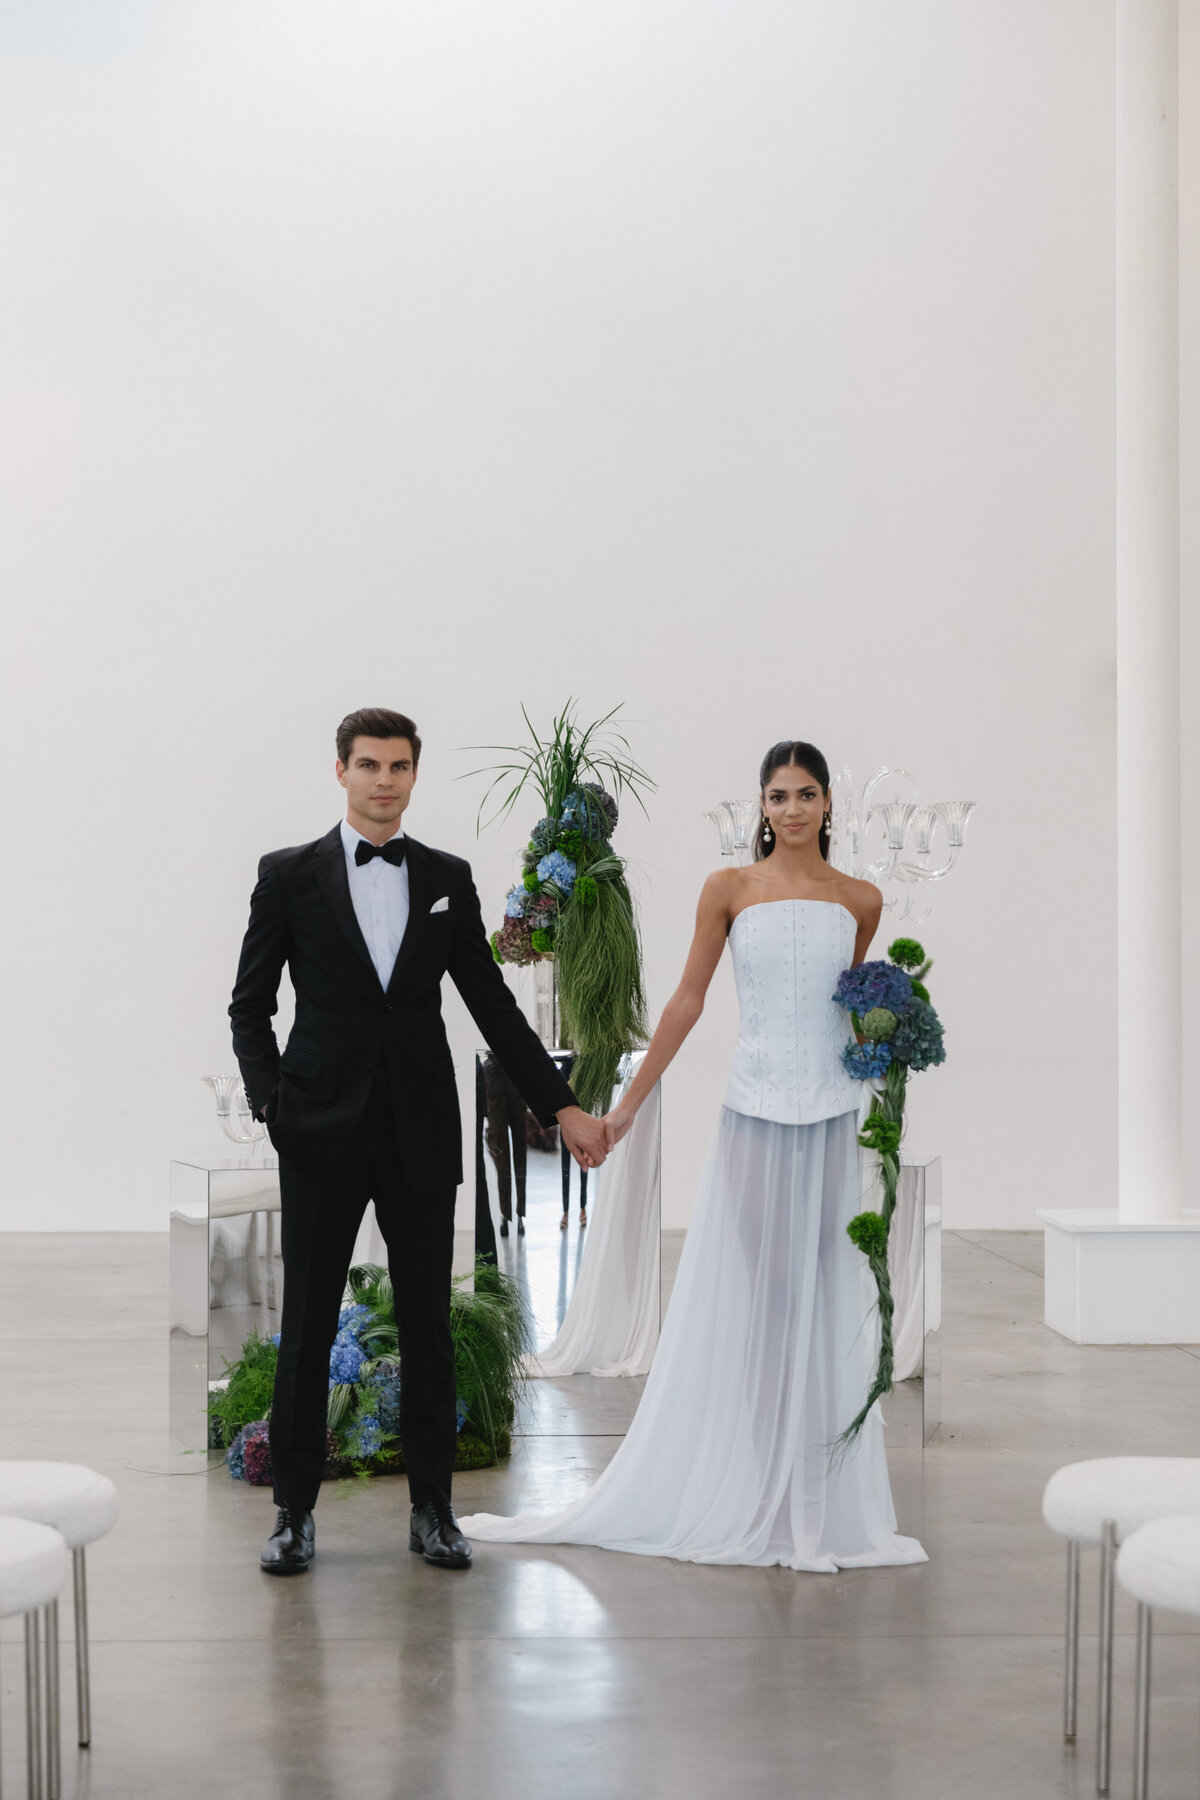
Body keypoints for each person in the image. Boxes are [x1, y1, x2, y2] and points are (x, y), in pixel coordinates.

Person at [460, 741, 927, 1570]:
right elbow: (687, 999)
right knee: (765, 1293)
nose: (791, 808)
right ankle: (753, 1477)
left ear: (827, 805)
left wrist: (892, 1040)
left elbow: (851, 1008)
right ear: (760, 806)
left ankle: (812, 1490)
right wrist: (626, 1108)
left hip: (831, 1115)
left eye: (806, 793)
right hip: (754, 1111)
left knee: (824, 1293)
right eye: (777, 794)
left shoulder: (861, 899)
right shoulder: (729, 890)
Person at [229, 707, 607, 1575]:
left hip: (420, 1130)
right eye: (369, 765)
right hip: (319, 1131)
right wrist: (273, 1106)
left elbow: (492, 1004)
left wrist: (566, 1108)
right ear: (341, 771)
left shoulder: (445, 875)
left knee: (430, 1323)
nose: (384, 780)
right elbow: (249, 1006)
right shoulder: (287, 875)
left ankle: (434, 1511)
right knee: (308, 1328)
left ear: (412, 774)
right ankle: (293, 1513)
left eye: (399, 766)